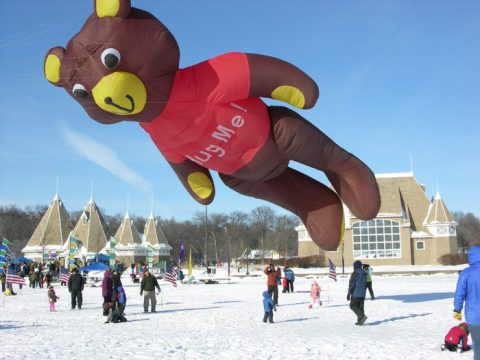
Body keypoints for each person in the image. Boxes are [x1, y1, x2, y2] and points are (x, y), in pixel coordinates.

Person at [453, 245, 480, 360]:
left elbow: (460, 293)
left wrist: (457, 309)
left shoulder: (466, 273)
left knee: (478, 346)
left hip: (474, 317)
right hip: (474, 316)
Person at [347, 260, 367, 326]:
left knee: (352, 306)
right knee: (360, 308)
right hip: (363, 294)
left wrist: (349, 293)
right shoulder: (364, 273)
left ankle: (362, 316)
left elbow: (351, 284)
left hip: (356, 293)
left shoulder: (355, 273)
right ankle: (360, 321)